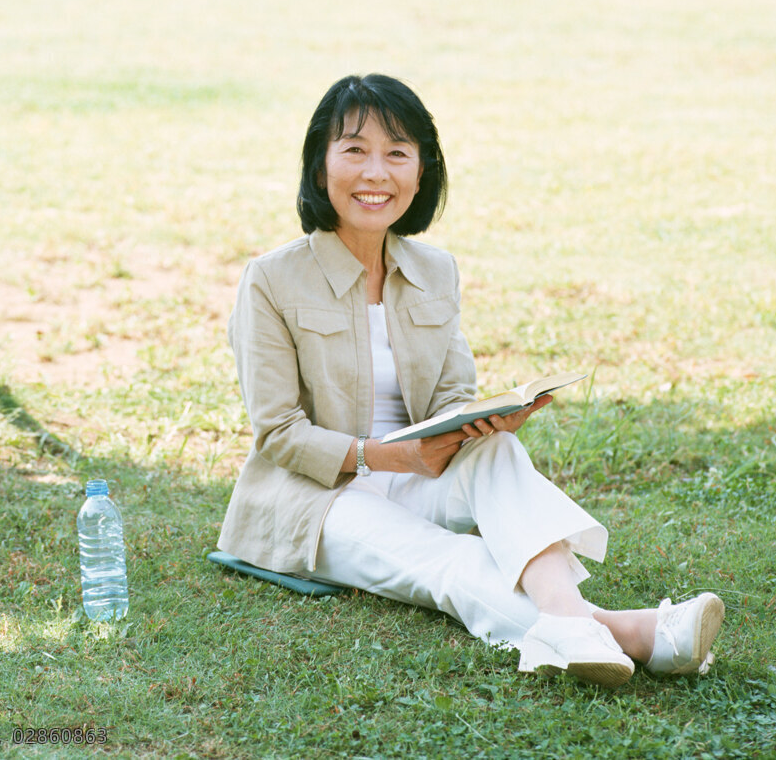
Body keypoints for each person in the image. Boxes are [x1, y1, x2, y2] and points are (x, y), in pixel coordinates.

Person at [217, 73, 724, 687]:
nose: (376, 172)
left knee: (498, 448)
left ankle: (566, 628)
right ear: (320, 165)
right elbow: (278, 433)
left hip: (416, 475)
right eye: (354, 150)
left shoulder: (435, 270)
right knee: (447, 560)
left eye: (397, 153)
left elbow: (451, 398)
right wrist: (390, 457)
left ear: (422, 171)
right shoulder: (272, 279)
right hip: (314, 502)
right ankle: (635, 632)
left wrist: (481, 422)